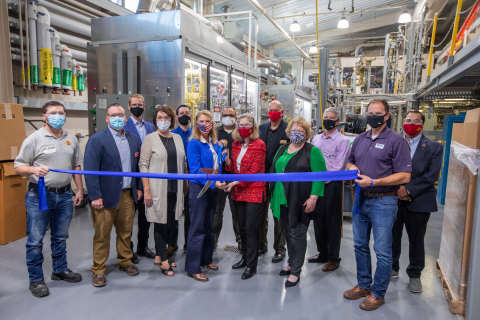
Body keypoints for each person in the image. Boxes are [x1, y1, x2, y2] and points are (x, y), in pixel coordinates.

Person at [343, 99, 412, 311]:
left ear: (387, 115)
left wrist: (375, 182)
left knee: (382, 249)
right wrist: (353, 168)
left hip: (384, 200)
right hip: (361, 198)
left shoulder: (396, 141)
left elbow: (405, 175)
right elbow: (349, 161)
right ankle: (364, 285)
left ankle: (378, 292)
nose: (373, 116)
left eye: (377, 113)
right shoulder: (361, 138)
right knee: (359, 245)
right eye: (370, 112)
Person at [14, 101, 84, 298]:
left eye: (61, 112)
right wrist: (34, 169)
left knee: (60, 236)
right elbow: (18, 167)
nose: (58, 116)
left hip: (64, 195)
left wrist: (79, 189)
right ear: (44, 116)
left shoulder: (71, 139)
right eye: (53, 113)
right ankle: (36, 279)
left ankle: (59, 270)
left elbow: (76, 166)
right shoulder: (34, 139)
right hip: (40, 195)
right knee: (36, 240)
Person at [84, 103, 143, 288]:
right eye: (113, 115)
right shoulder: (97, 140)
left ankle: (125, 260)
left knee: (125, 232)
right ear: (107, 118)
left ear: (126, 118)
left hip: (127, 194)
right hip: (105, 196)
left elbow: (138, 167)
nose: (118, 118)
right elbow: (90, 169)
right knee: (102, 234)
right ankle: (99, 269)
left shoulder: (133, 139)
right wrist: (94, 196)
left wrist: (139, 188)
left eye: (121, 115)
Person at [270, 116, 326, 288]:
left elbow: (320, 176)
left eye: (300, 131)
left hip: (300, 199)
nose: (296, 134)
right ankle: (291, 262)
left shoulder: (312, 151)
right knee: (288, 233)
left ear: (306, 133)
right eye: (293, 130)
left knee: (298, 235)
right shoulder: (283, 148)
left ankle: (296, 271)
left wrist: (313, 197)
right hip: (281, 197)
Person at [391, 111, 443, 293]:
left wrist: (409, 189)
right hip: (394, 197)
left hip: (419, 200)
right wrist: (398, 189)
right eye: (408, 120)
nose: (411, 123)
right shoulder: (394, 142)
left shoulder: (434, 147)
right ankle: (392, 267)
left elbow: (431, 175)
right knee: (392, 236)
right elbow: (387, 168)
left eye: (415, 120)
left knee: (416, 239)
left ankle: (415, 274)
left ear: (422, 123)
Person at [139, 106, 187, 277]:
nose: (163, 120)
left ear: (171, 120)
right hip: (158, 188)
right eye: (160, 117)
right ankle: (165, 261)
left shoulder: (177, 138)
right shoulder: (150, 139)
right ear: (155, 120)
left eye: (167, 117)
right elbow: (143, 165)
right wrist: (147, 191)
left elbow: (183, 163)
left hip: (175, 188)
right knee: (160, 222)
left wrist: (184, 186)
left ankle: (160, 255)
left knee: (170, 223)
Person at [185, 110, 227, 282]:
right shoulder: (194, 143)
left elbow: (216, 165)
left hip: (212, 188)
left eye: (208, 120)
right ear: (196, 123)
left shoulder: (213, 143)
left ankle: (206, 259)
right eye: (201, 121)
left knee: (210, 225)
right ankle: (193, 267)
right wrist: (214, 182)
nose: (205, 124)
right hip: (200, 189)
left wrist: (222, 152)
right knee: (197, 227)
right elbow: (196, 170)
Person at [224, 113, 266, 280]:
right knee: (241, 228)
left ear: (253, 126)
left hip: (254, 191)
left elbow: (254, 171)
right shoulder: (235, 144)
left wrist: (235, 182)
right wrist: (227, 160)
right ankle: (244, 258)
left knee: (251, 228)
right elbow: (234, 167)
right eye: (240, 125)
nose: (243, 128)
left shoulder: (260, 145)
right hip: (239, 191)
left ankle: (252, 265)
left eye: (246, 125)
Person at [309, 107, 351, 272]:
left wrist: (319, 175)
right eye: (325, 117)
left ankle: (334, 258)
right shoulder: (316, 139)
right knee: (318, 220)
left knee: (333, 222)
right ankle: (322, 253)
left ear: (337, 121)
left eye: (331, 118)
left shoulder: (342, 141)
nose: (327, 120)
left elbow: (338, 166)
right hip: (316, 184)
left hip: (332, 185)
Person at [124, 94, 156, 262]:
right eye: (134, 104)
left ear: (144, 106)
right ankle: (128, 250)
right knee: (129, 216)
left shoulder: (150, 127)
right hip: (131, 176)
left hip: (149, 177)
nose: (138, 106)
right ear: (129, 107)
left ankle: (143, 246)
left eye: (140, 104)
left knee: (145, 216)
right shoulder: (124, 125)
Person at [259, 100, 289, 263]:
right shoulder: (262, 128)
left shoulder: (288, 130)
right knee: (260, 213)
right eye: (270, 110)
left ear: (282, 111)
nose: (272, 113)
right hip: (262, 177)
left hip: (279, 178)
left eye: (276, 110)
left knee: (278, 214)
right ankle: (261, 246)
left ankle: (279, 249)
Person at [213, 107, 241, 251]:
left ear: (236, 117)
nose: (228, 117)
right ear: (220, 117)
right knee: (217, 211)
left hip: (235, 178)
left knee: (236, 211)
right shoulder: (215, 132)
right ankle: (213, 241)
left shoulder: (239, 133)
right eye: (225, 115)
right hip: (218, 178)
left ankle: (241, 242)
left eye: (231, 115)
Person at [171, 105, 192, 251]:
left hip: (192, 177)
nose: (185, 115)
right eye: (181, 113)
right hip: (176, 177)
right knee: (174, 212)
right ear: (177, 117)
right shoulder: (171, 135)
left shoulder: (196, 134)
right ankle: (172, 243)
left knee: (191, 212)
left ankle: (189, 243)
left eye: (187, 113)